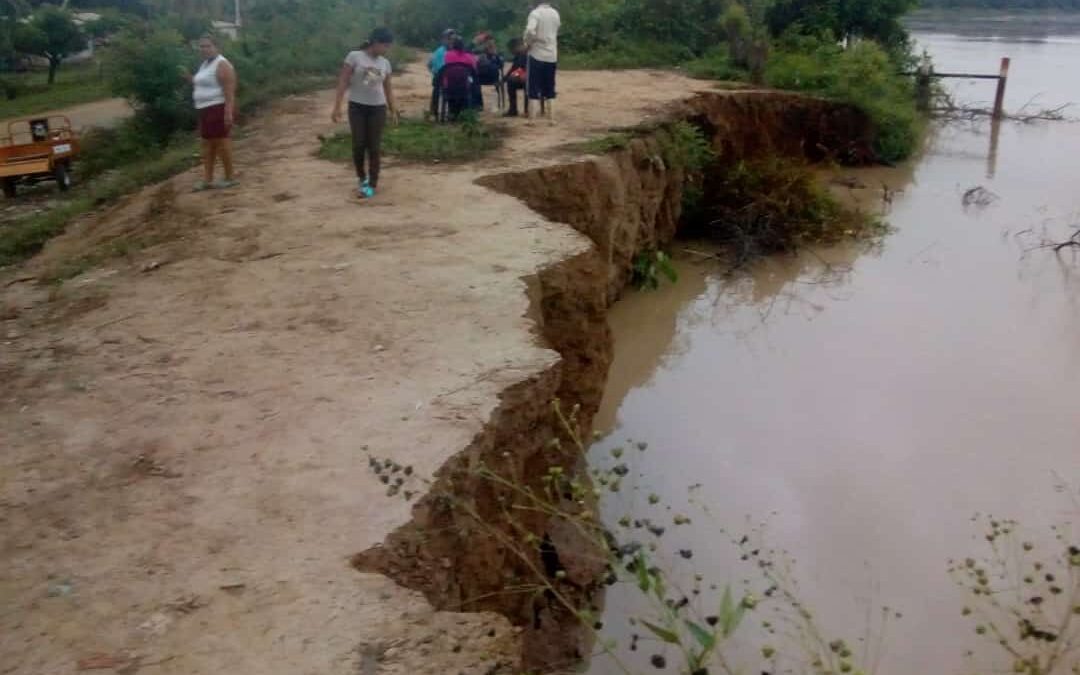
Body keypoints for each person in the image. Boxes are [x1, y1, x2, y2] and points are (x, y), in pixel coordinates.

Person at [332, 28, 398, 200]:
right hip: (357, 107)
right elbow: (343, 81)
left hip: (378, 108)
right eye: (385, 45)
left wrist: (393, 108)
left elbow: (388, 89)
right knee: (359, 144)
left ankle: (372, 184)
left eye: (388, 46)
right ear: (375, 42)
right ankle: (362, 177)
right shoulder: (354, 57)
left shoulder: (385, 63)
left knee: (374, 147)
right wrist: (337, 106)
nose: (386, 49)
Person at [187, 34, 237, 191]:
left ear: (216, 47)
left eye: (208, 46)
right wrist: (190, 78)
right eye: (202, 46)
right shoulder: (205, 65)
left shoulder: (222, 64)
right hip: (204, 109)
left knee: (222, 143)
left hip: (218, 107)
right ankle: (208, 179)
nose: (204, 49)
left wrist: (228, 112)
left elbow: (229, 91)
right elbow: (202, 83)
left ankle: (230, 177)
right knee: (207, 145)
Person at [524, 0, 560, 122]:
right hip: (551, 55)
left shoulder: (535, 13)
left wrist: (528, 43)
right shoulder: (555, 13)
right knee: (550, 87)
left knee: (533, 87)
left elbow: (530, 31)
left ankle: (532, 120)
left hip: (536, 55)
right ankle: (552, 119)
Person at [441, 37, 478, 119]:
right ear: (463, 46)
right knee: (473, 82)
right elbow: (474, 70)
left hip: (449, 87)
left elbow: (444, 67)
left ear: (453, 46)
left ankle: (452, 112)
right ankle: (469, 110)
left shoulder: (447, 55)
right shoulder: (468, 57)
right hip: (464, 87)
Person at [428, 29, 456, 118]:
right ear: (444, 40)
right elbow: (432, 66)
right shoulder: (440, 52)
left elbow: (430, 66)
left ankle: (434, 111)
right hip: (445, 80)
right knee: (438, 80)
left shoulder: (441, 51)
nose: (451, 41)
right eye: (449, 39)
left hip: (450, 79)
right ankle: (434, 111)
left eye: (452, 39)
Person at [476, 36, 505, 111]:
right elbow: (477, 65)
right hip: (482, 77)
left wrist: (496, 56)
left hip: (493, 78)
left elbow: (501, 65)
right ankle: (479, 105)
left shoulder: (497, 54)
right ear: (484, 44)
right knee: (475, 85)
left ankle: (496, 105)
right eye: (488, 43)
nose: (490, 45)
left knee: (494, 69)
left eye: (492, 43)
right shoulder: (480, 53)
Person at [504, 38, 529, 118]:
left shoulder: (530, 53)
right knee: (511, 82)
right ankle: (513, 109)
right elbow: (514, 68)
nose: (512, 52)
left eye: (512, 50)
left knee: (526, 83)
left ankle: (527, 110)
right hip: (522, 77)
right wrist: (505, 78)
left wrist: (522, 74)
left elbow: (522, 68)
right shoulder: (518, 55)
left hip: (532, 77)